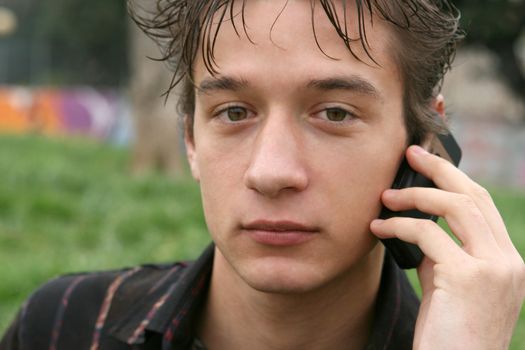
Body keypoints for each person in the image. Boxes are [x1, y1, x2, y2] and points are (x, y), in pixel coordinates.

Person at [2, 1, 524, 349]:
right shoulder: (63, 325)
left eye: (336, 113)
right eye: (233, 112)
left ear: (424, 144)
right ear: (191, 140)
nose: (271, 172)